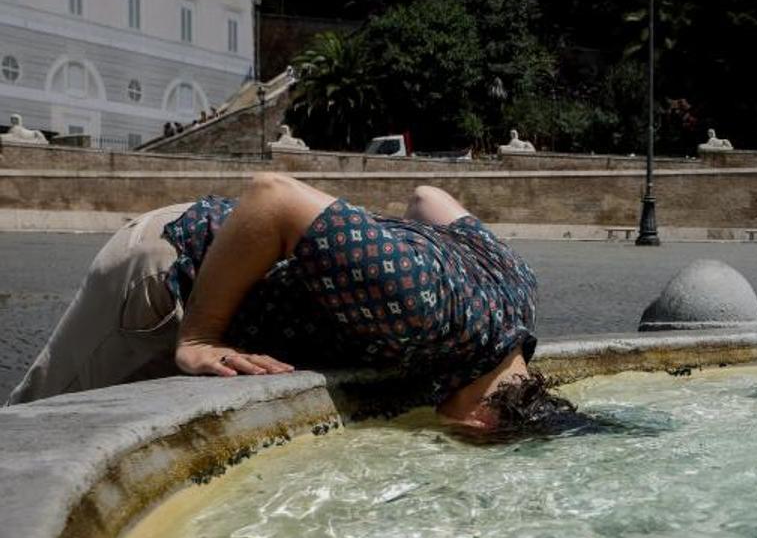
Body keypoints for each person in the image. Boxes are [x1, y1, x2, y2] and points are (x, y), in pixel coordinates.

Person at [7, 175, 570, 435]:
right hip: (164, 268)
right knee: (41, 434)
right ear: (482, 417)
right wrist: (200, 338)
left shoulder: (519, 295)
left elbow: (428, 198)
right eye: (465, 440)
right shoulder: (419, 307)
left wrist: (359, 247)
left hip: (227, 267)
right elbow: (271, 195)